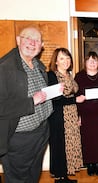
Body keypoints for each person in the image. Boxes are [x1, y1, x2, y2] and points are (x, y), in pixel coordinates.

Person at [0, 26, 53, 183]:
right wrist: (31, 102)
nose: (32, 42)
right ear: (18, 40)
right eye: (28, 38)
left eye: (36, 40)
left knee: (33, 175)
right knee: (18, 179)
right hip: (19, 139)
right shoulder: (4, 68)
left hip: (41, 132)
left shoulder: (38, 65)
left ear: (41, 45)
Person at [48, 48, 85, 182]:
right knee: (59, 147)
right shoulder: (52, 76)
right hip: (59, 117)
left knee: (69, 146)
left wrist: (79, 115)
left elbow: (74, 95)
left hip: (72, 115)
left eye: (68, 58)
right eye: (62, 58)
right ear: (56, 61)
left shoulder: (70, 75)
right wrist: (75, 100)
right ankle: (60, 178)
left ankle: (65, 176)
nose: (66, 61)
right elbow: (54, 100)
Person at [75, 51, 98, 176]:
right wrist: (78, 115)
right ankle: (90, 163)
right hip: (85, 114)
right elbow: (76, 96)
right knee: (87, 139)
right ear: (85, 62)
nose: (92, 63)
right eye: (89, 60)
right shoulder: (79, 76)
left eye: (94, 60)